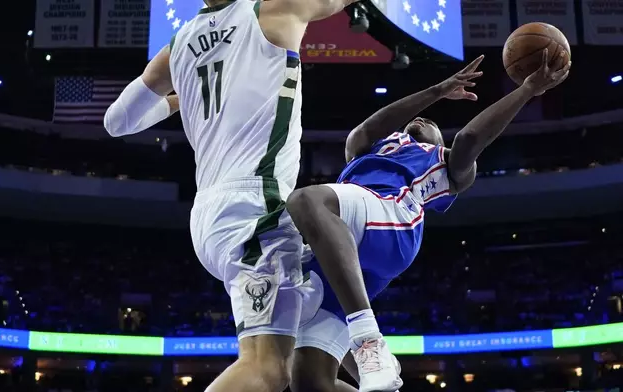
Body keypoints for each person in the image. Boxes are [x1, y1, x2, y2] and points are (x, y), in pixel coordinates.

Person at [101, 0, 402, 391]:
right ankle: (368, 341)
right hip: (256, 210)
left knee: (308, 369)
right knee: (267, 369)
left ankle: (366, 354)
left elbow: (116, 121)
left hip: (211, 217)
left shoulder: (179, 45)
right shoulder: (274, 9)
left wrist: (182, 98)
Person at [286, 48, 571, 392]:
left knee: (305, 199)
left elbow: (469, 138)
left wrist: (526, 90)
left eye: (433, 125)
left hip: (392, 220)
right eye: (419, 121)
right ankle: (373, 358)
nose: (423, 122)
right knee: (308, 383)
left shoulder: (447, 164)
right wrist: (437, 90)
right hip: (345, 254)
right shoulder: (366, 150)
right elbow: (366, 128)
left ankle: (367, 338)